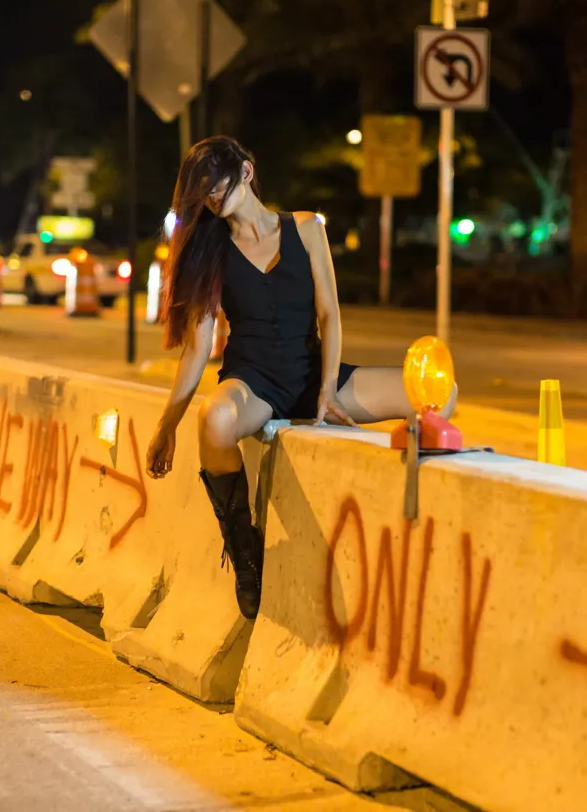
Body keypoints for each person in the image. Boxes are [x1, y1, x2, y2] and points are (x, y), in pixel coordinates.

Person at [145, 136, 457, 620]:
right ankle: (245, 552)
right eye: (201, 193)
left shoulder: (307, 227)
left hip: (314, 373)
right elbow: (197, 348)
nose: (211, 199)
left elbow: (330, 314)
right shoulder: (212, 251)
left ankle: (422, 518)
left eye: (216, 186)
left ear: (246, 172)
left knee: (439, 393)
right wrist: (168, 425)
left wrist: (329, 390)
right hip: (254, 381)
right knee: (215, 420)